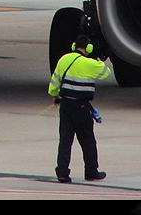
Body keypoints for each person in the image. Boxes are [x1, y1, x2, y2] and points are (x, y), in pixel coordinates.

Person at [48, 34, 111, 183]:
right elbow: (105, 72)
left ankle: (62, 172)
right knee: (87, 140)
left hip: (65, 106)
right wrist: (97, 59)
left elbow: (54, 83)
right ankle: (91, 171)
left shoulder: (64, 59)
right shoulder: (89, 64)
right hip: (81, 107)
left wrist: (55, 96)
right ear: (88, 48)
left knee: (65, 140)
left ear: (73, 46)